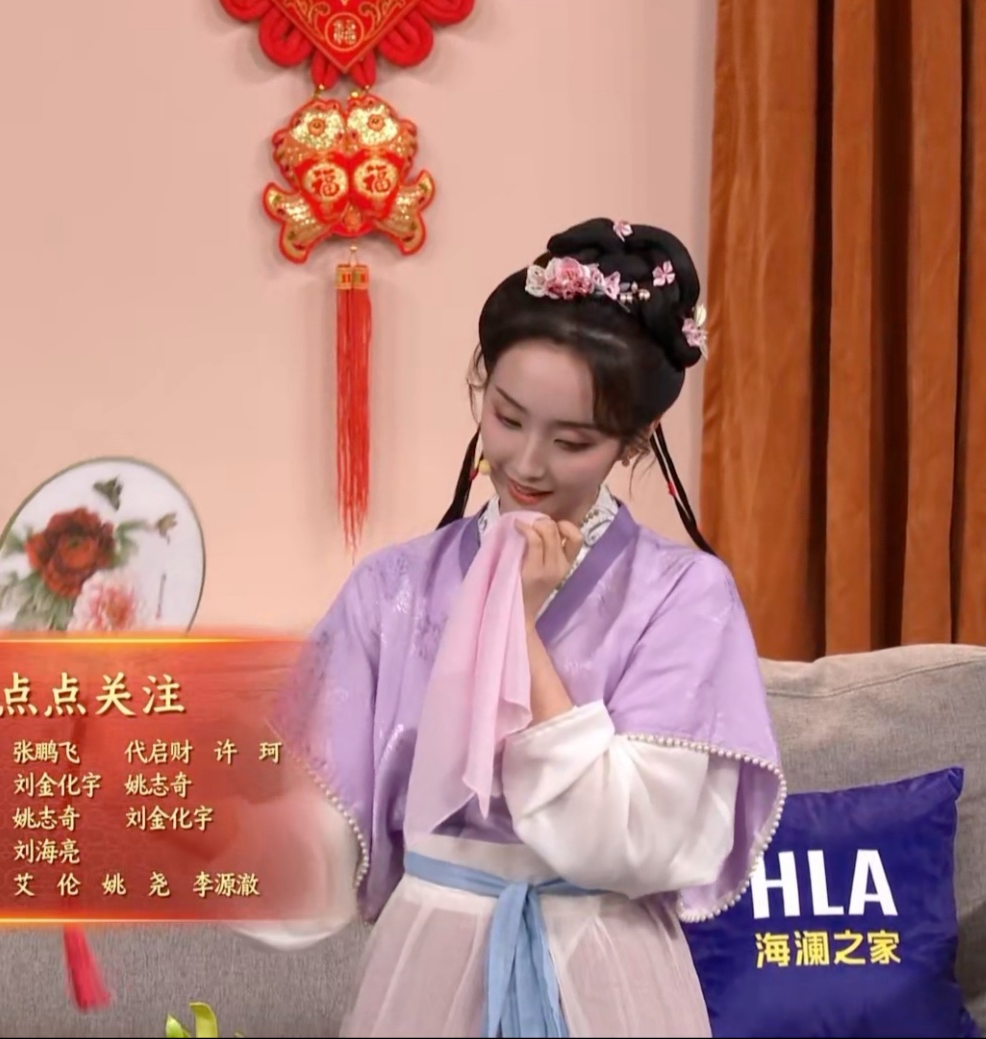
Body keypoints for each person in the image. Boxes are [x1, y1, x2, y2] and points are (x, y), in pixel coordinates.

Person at [245, 218, 787, 1038]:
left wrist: (519, 629)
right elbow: (319, 844)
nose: (527, 463)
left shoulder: (684, 597)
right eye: (506, 417)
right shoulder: (391, 589)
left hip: (604, 973)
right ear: (482, 387)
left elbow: (626, 844)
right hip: (428, 969)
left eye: (571, 440)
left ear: (633, 442)